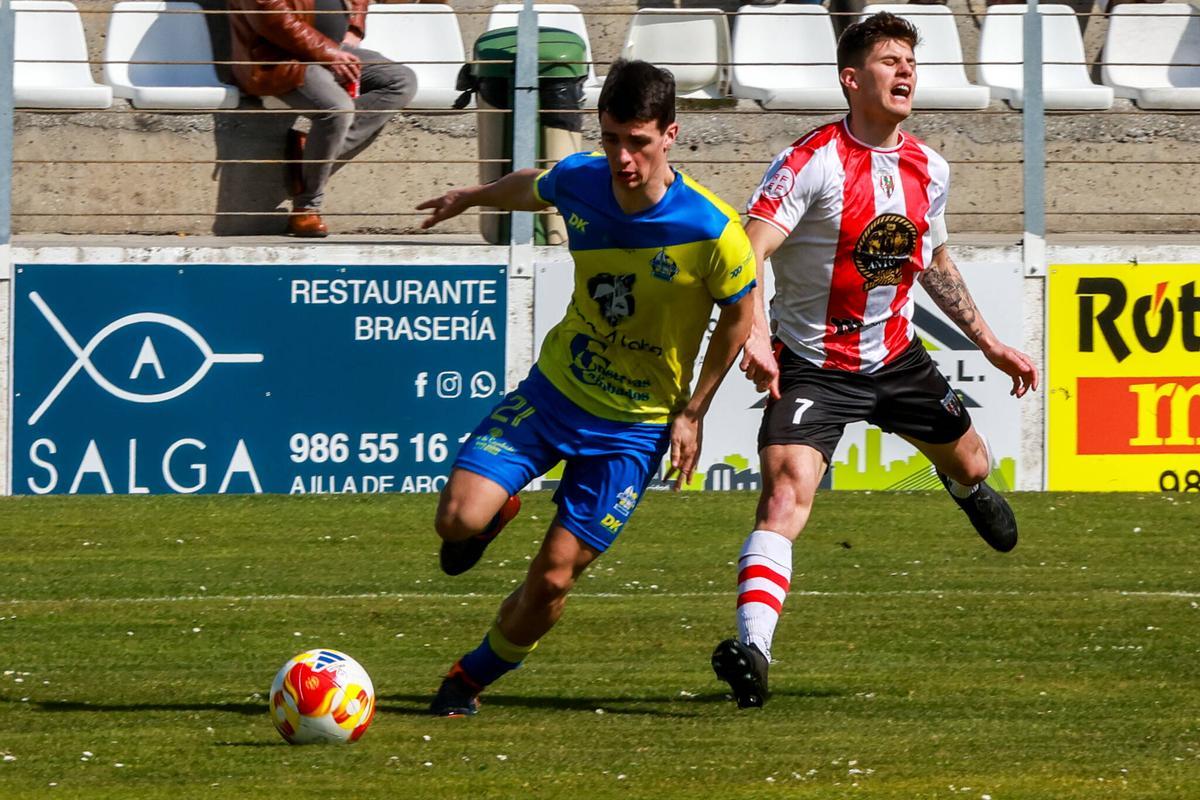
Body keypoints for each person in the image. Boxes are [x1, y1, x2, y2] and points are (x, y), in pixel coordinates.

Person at [710, 12, 1039, 709]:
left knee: (975, 464)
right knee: (784, 493)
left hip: (895, 357)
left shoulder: (929, 168)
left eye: (910, 61)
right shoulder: (810, 163)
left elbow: (934, 264)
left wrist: (988, 343)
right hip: (814, 366)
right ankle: (754, 650)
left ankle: (960, 486)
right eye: (890, 61)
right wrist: (758, 336)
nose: (906, 72)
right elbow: (746, 254)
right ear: (851, 79)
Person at [417, 59, 757, 717]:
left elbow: (741, 314)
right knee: (457, 519)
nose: (623, 158)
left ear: (670, 135)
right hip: (555, 393)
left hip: (633, 430)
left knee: (549, 581)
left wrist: (693, 412)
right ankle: (499, 511)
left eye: (638, 141)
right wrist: (473, 196)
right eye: (610, 140)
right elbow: (535, 186)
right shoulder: (584, 179)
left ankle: (467, 678)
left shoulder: (713, 229)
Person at [228, 0, 416, 237]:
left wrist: (354, 27)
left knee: (401, 81)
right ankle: (307, 207)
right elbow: (270, 16)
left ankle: (312, 151)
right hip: (277, 58)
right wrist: (328, 53)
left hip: (332, 49)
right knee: (337, 108)